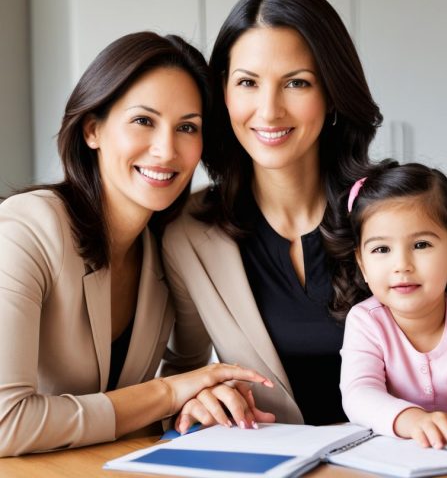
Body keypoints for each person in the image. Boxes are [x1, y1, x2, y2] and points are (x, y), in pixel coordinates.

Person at [0, 31, 274, 457]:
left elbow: (184, 378)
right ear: (92, 128)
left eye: (187, 127)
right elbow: (5, 423)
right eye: (143, 121)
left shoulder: (168, 249)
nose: (166, 149)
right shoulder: (27, 228)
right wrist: (167, 393)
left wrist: (194, 401)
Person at [162, 0, 383, 429]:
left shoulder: (394, 206)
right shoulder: (189, 233)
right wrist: (200, 399)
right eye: (248, 82)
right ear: (223, 94)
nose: (268, 110)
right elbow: (183, 376)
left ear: (333, 93)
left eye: (297, 83)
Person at [339, 161, 447, 449]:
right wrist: (413, 420)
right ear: (363, 264)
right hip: (399, 456)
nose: (402, 265)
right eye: (382, 249)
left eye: (421, 245)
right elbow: (358, 394)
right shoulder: (366, 322)